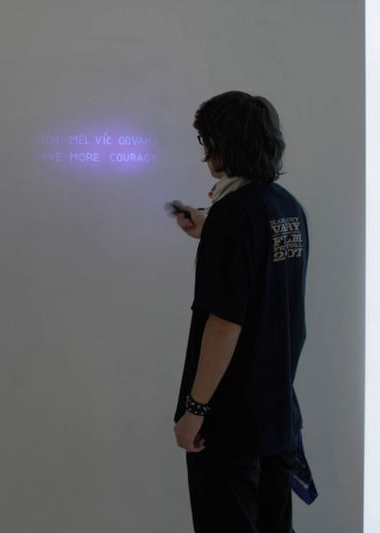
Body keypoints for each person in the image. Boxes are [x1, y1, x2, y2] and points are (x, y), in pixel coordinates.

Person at [170, 91, 309, 532]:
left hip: (230, 423)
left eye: (206, 140)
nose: (205, 152)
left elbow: (226, 322)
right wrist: (210, 229)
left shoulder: (232, 216)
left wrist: (195, 409)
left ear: (222, 144)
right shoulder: (286, 207)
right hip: (277, 416)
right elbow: (260, 267)